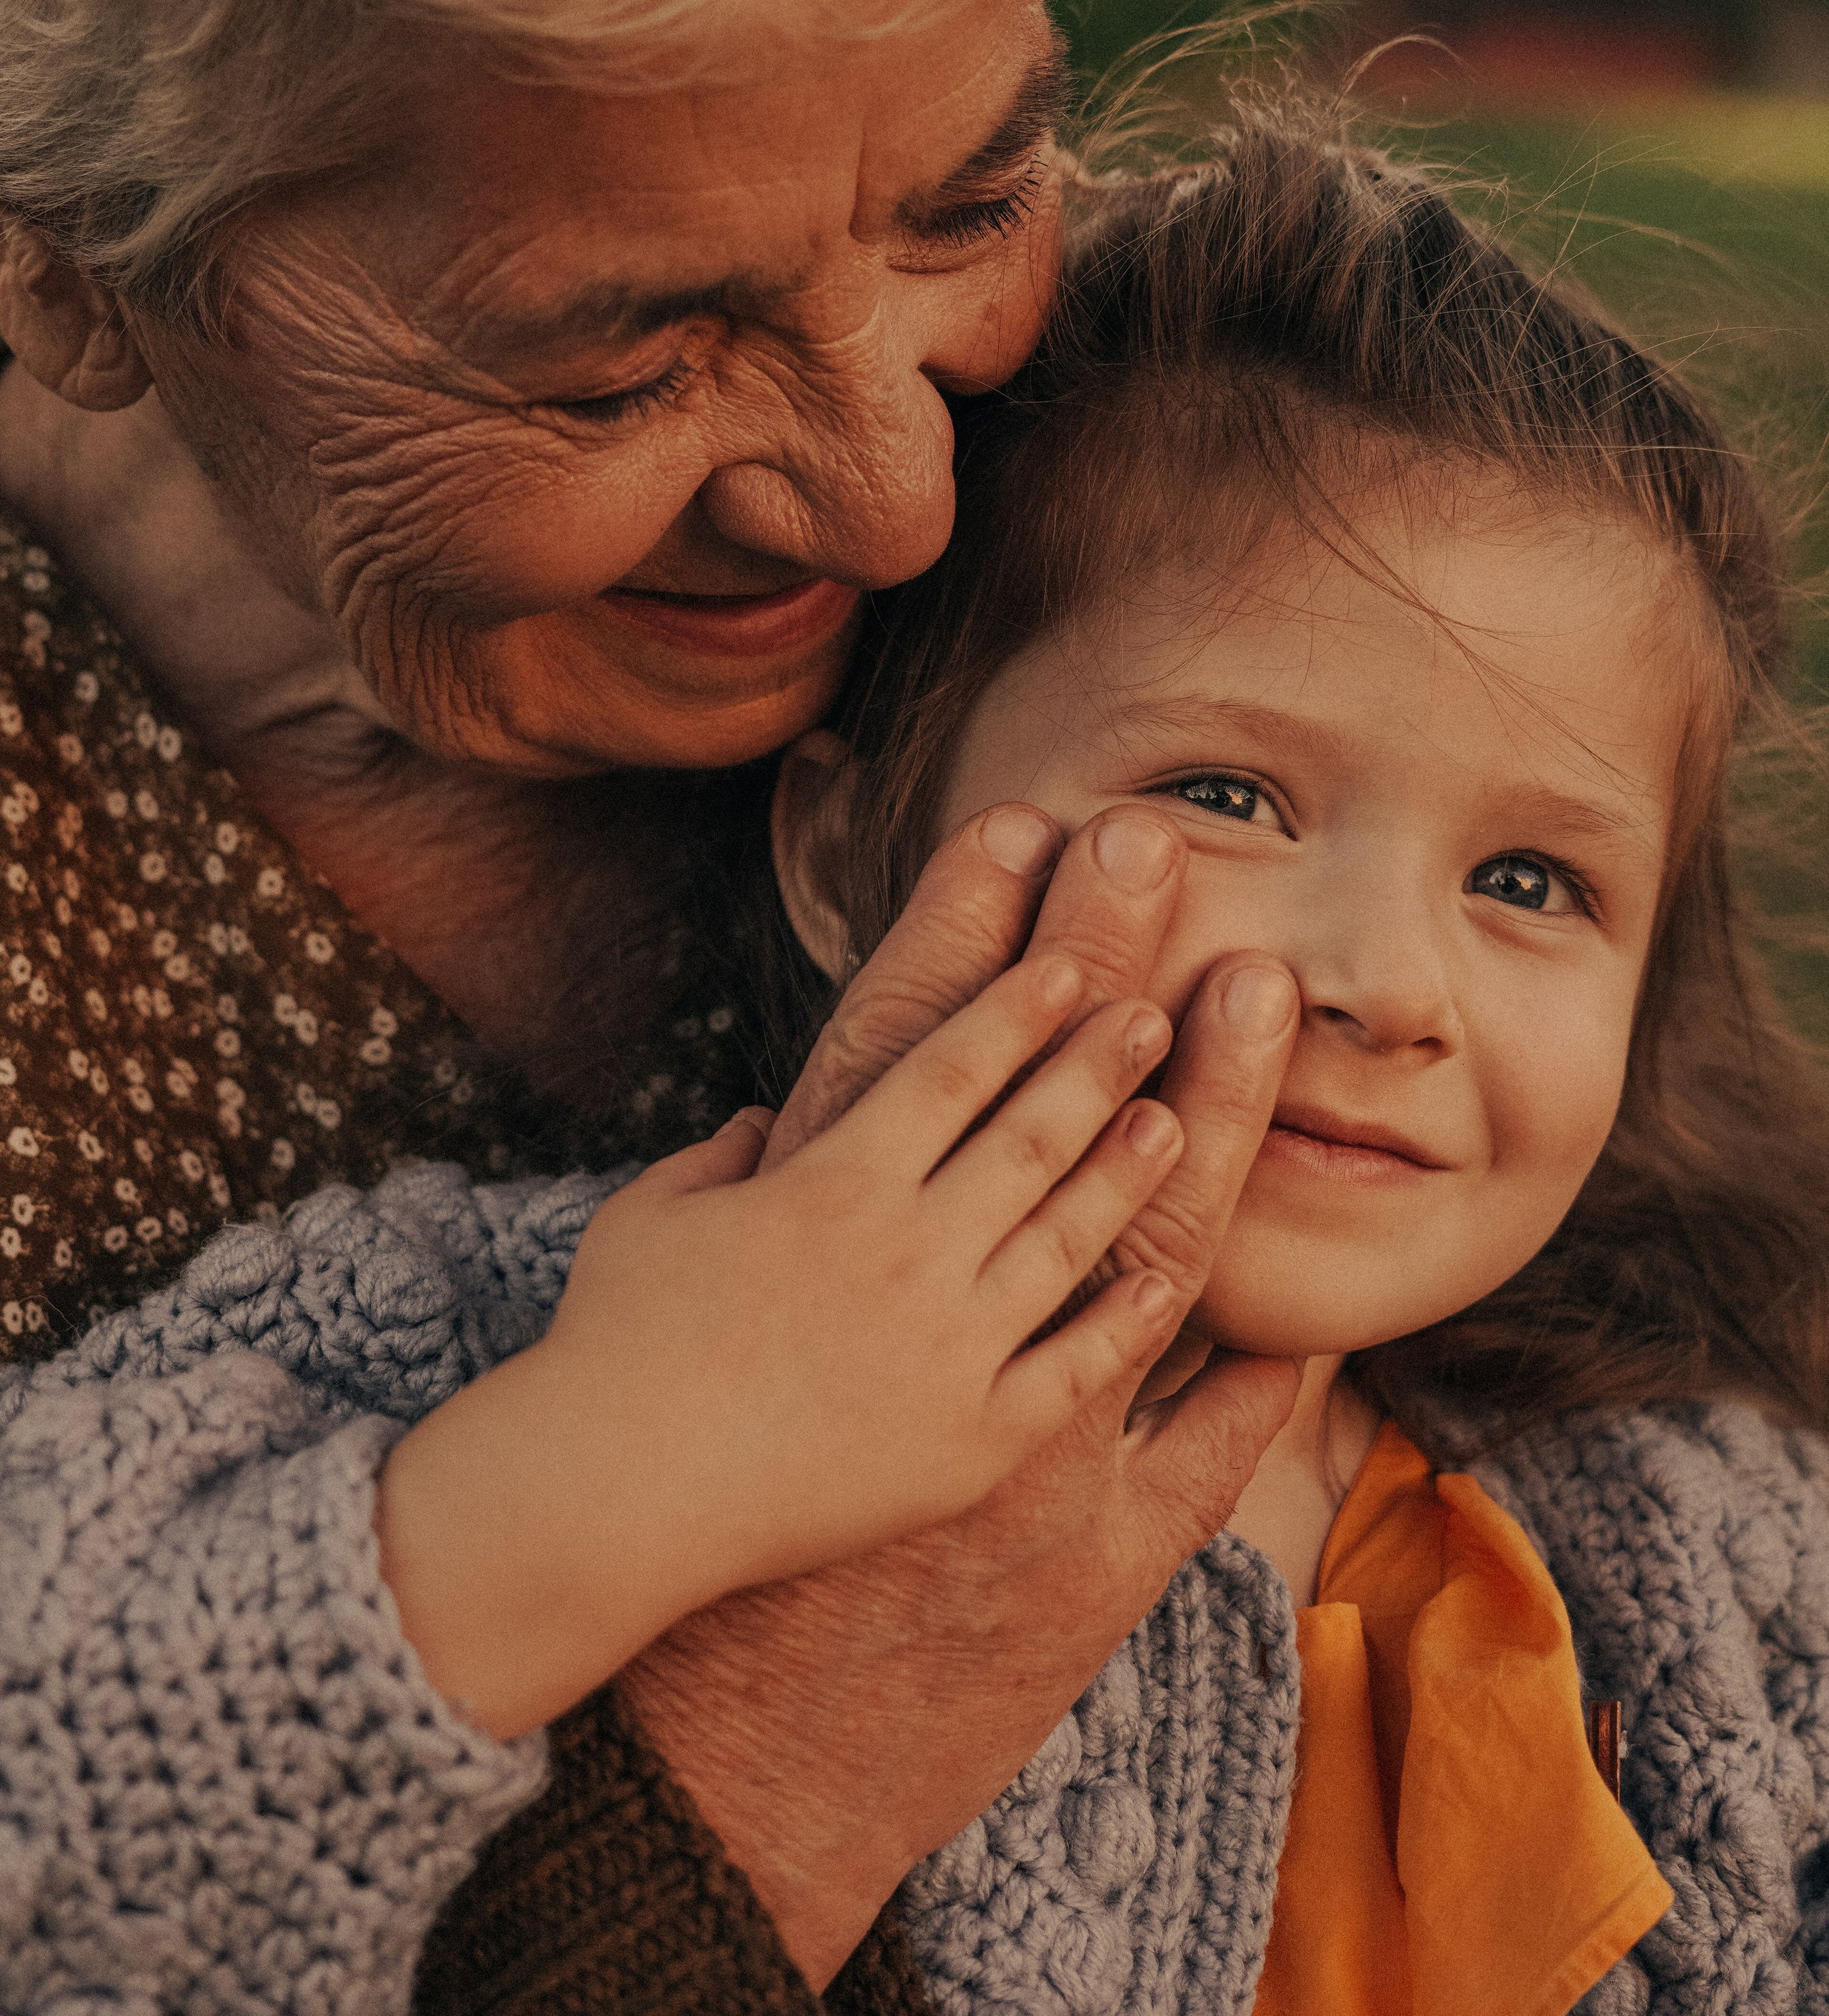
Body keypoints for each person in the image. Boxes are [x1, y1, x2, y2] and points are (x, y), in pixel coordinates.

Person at [9, 127, 1825, 2015]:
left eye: (1531, 884)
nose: (1388, 985)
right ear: (842, 854)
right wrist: (616, 1459)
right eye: (1225, 793)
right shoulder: (504, 1328)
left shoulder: (1716, 1570)